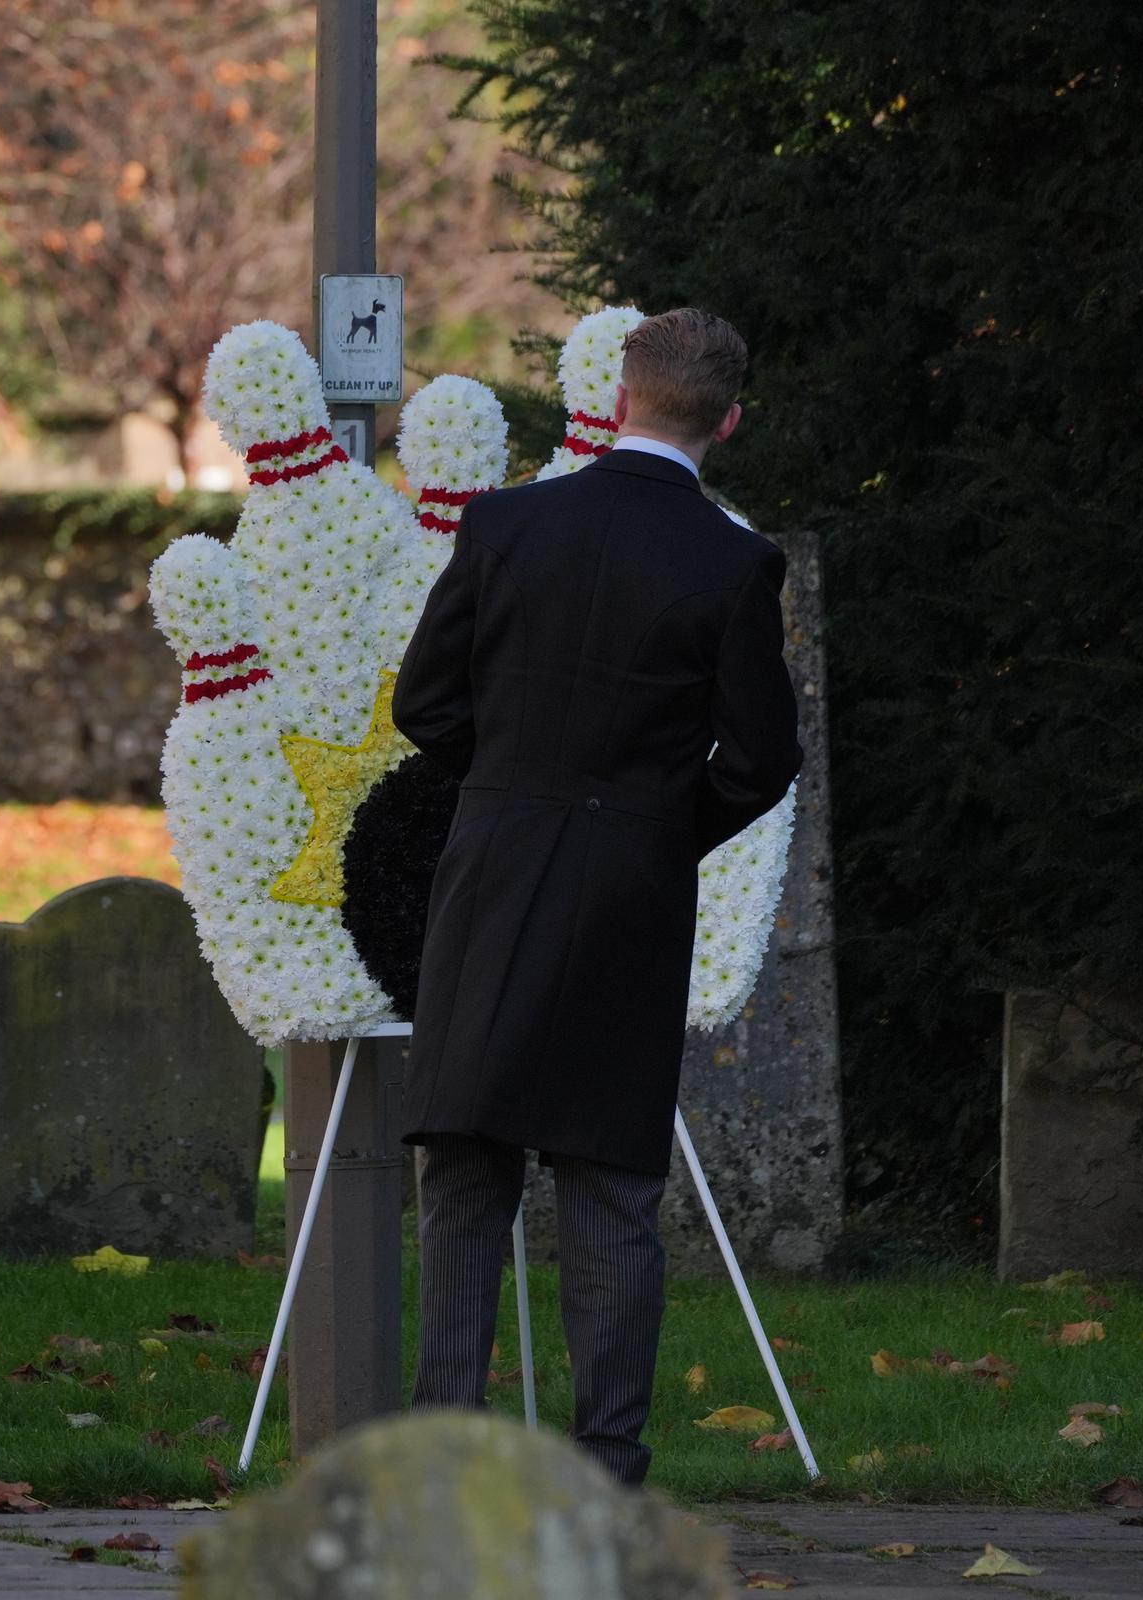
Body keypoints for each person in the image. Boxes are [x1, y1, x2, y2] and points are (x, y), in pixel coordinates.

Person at [388, 307, 801, 1485]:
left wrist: (511, 795)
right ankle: (608, 1467)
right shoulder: (732, 559)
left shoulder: (508, 523)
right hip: (629, 893)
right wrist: (657, 832)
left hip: (492, 871)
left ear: (621, 394)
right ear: (728, 419)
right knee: (609, 1182)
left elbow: (425, 704)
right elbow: (761, 760)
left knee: (466, 1166)